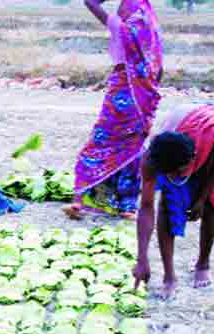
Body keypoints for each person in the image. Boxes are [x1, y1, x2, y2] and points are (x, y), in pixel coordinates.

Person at [64, 0, 163, 220]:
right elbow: (160, 73)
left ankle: (80, 200)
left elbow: (90, 1)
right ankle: (127, 206)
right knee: (133, 148)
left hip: (121, 96)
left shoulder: (121, 28)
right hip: (144, 98)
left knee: (98, 143)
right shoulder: (153, 36)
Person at [133, 104, 214, 299]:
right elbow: (146, 207)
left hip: (211, 147)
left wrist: (201, 198)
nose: (176, 177)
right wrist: (142, 258)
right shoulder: (152, 159)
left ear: (193, 159)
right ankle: (169, 277)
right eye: (169, 173)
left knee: (209, 208)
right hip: (180, 137)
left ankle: (203, 263)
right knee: (166, 205)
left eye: (179, 172)